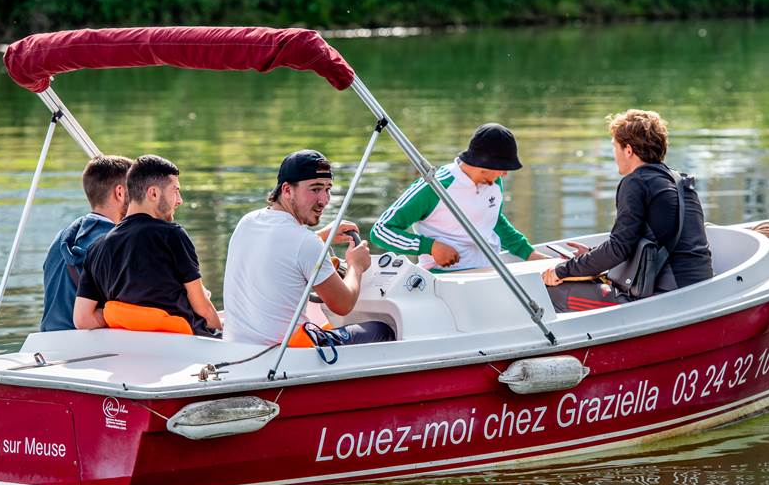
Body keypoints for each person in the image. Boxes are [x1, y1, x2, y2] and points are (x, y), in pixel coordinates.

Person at [542, 109, 713, 311]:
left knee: (550, 292)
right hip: (702, 287)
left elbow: (619, 248)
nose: (614, 154)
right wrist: (591, 255)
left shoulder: (636, 183)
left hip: (667, 297)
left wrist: (562, 271)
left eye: (615, 147)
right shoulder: (680, 181)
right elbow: (647, 242)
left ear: (629, 150)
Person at [223, 149, 395, 346]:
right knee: (383, 329)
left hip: (237, 348)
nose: (324, 200)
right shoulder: (305, 243)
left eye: (328, 189)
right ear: (287, 190)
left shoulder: (248, 222)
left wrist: (322, 237)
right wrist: (355, 266)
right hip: (286, 354)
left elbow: (284, 251)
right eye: (315, 189)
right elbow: (343, 304)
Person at [73, 154, 222, 336]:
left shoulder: (97, 248)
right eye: (175, 191)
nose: (179, 200)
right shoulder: (172, 235)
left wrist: (128, 317)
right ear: (153, 193)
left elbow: (82, 319)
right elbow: (203, 309)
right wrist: (223, 331)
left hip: (128, 350)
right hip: (184, 343)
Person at [370, 123, 550, 271]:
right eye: (503, 168)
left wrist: (529, 254)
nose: (504, 174)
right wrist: (430, 247)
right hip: (444, 278)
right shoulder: (435, 187)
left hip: (492, 271)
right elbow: (380, 231)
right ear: (484, 164)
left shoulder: (494, 182)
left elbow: (494, 222)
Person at [40, 155, 131, 331]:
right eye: (135, 190)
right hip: (89, 346)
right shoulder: (115, 244)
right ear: (120, 192)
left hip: (47, 343)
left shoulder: (61, 238)